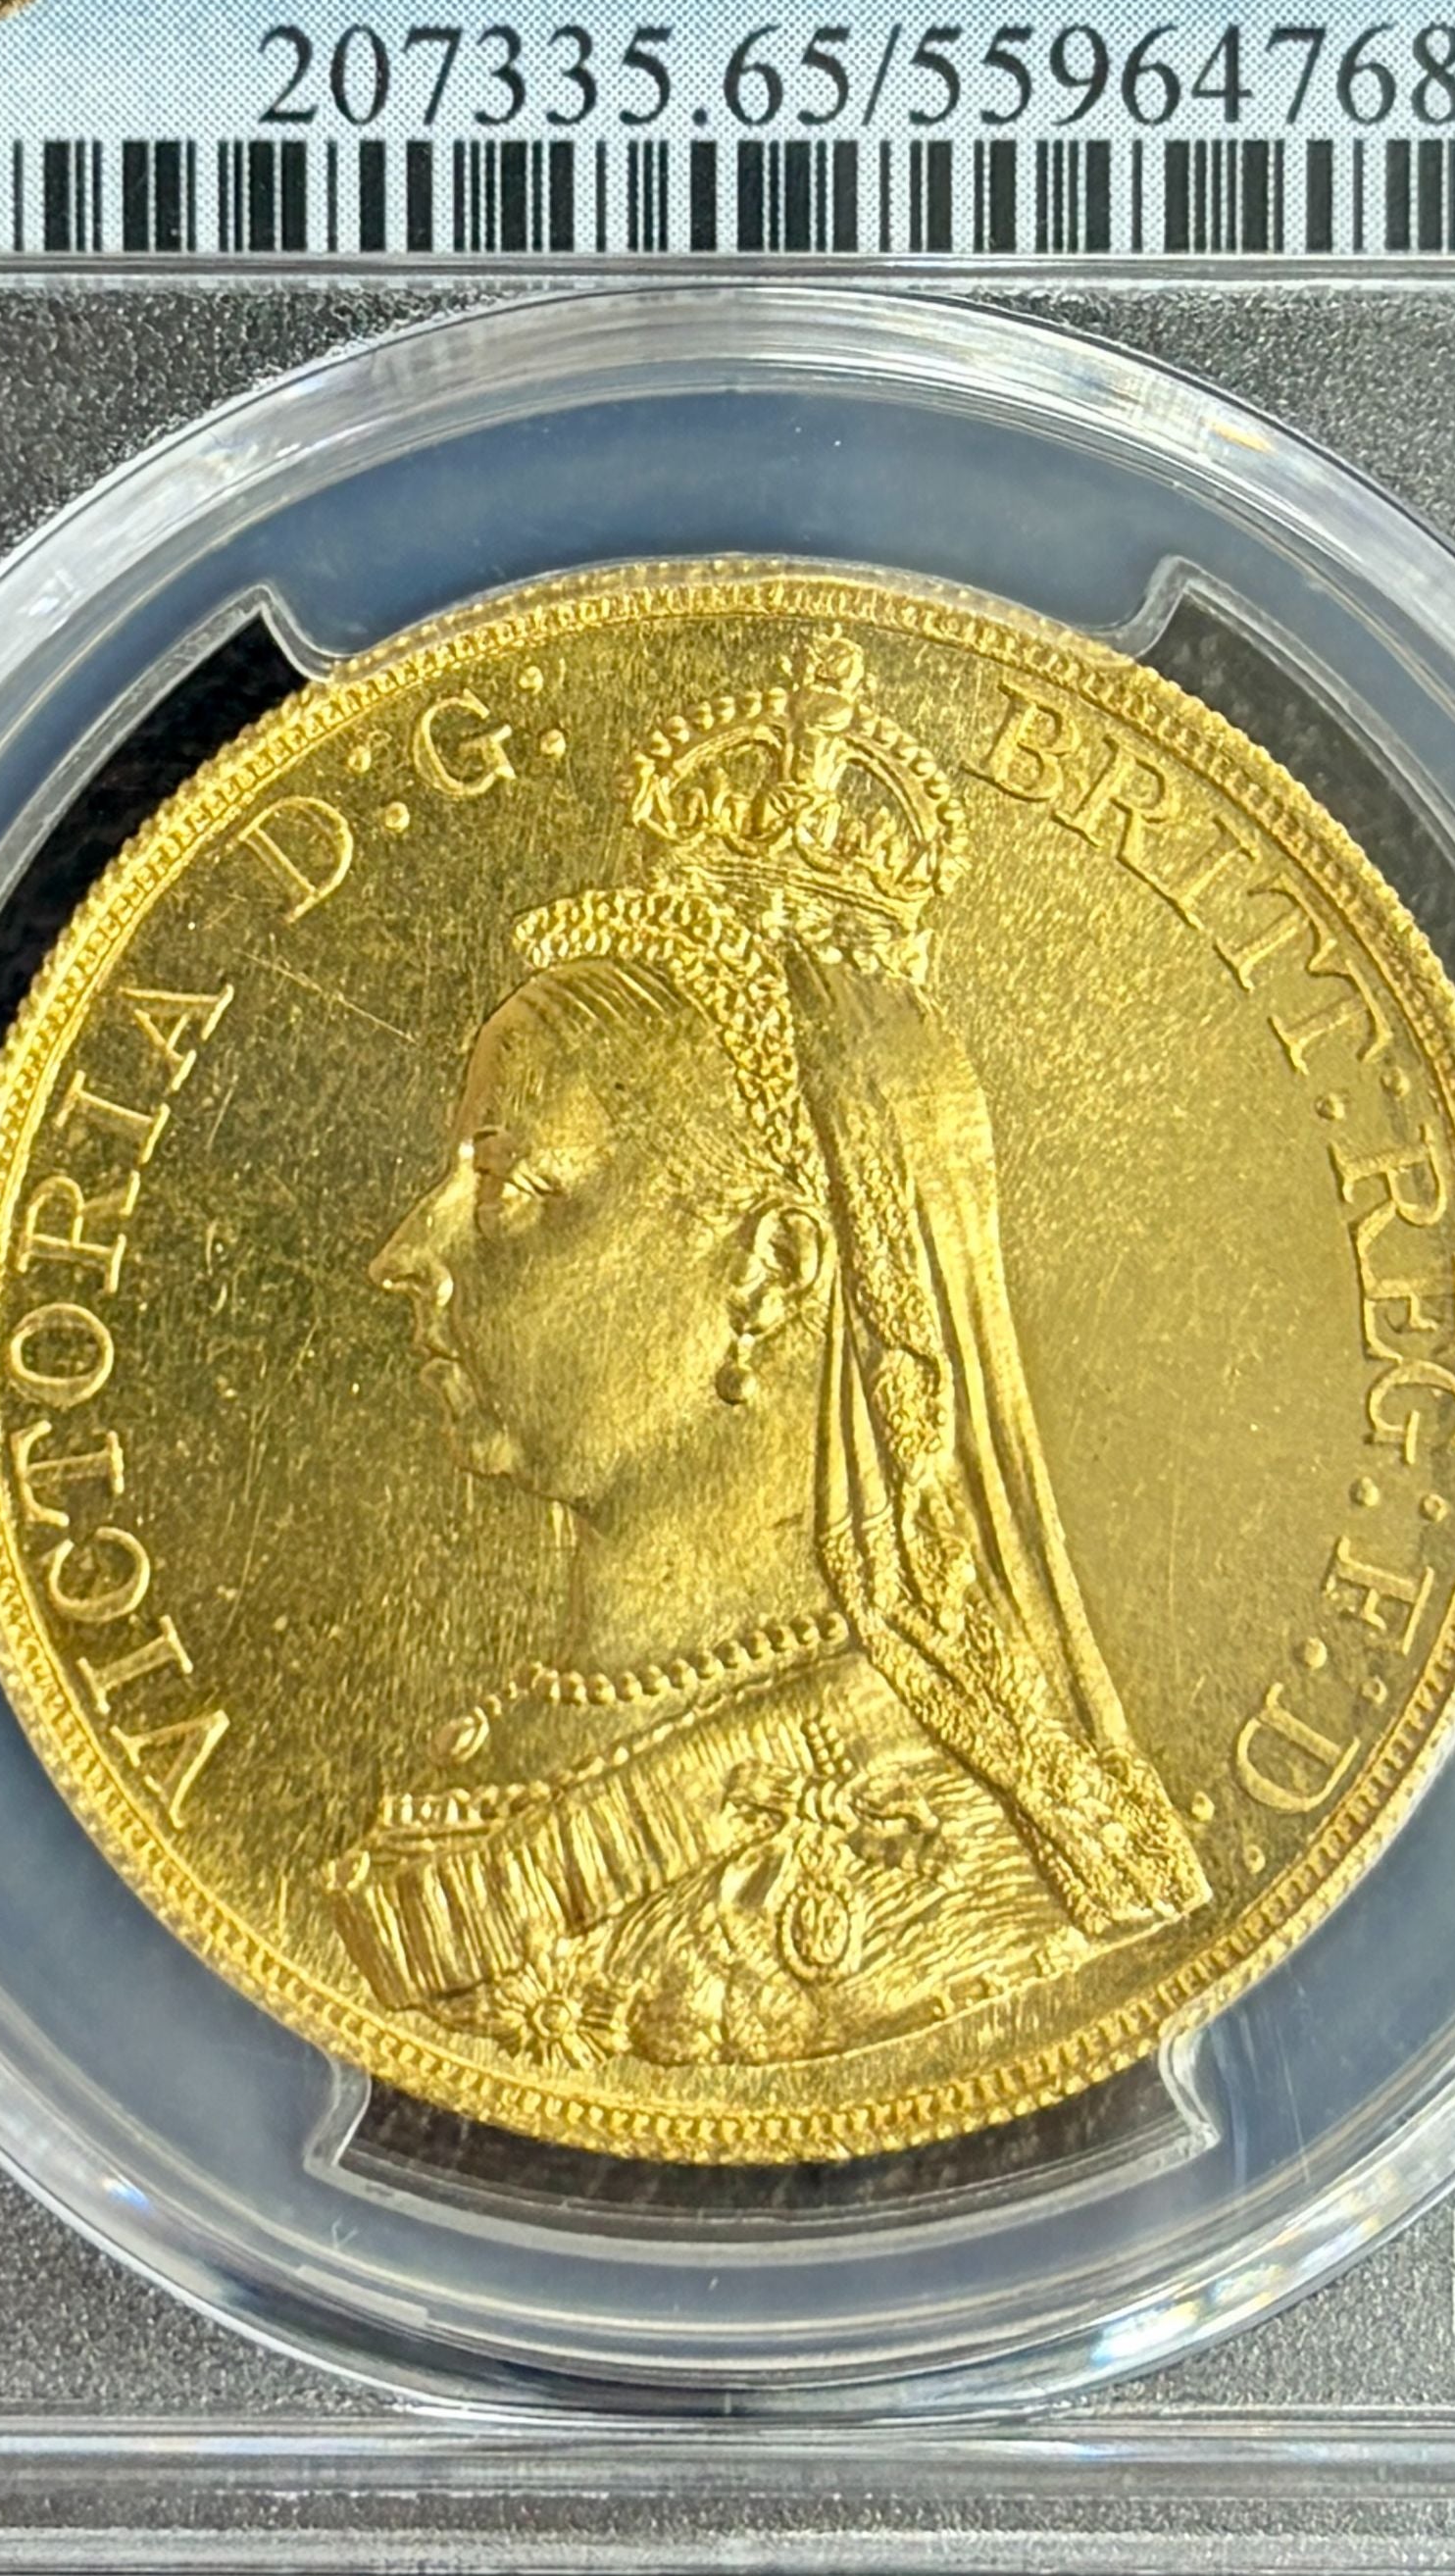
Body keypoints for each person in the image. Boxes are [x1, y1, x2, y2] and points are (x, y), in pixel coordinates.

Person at [319, 631, 1208, 2073]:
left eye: (510, 1181)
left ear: (770, 1272)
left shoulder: (950, 1857)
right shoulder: (499, 1749)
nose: (407, 1253)